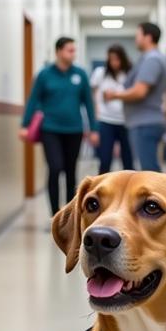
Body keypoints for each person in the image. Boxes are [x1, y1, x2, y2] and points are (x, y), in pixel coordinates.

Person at [20, 37, 98, 214]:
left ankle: (70, 214)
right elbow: (33, 100)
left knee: (71, 171)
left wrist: (93, 129)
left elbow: (88, 103)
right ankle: (55, 213)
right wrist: (25, 124)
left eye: (74, 50)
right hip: (50, 129)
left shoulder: (80, 74)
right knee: (55, 168)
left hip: (74, 129)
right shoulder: (45, 74)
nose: (73, 53)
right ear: (58, 52)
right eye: (69, 50)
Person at [105, 22, 166, 172]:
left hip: (145, 123)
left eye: (138, 35)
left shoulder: (152, 59)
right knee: (148, 169)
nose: (136, 38)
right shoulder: (148, 58)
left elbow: (140, 91)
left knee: (149, 171)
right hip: (142, 122)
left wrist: (115, 95)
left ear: (148, 37)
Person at [90, 44, 134, 174]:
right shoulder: (100, 73)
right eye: (111, 59)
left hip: (126, 121)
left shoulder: (129, 74)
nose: (114, 62)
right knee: (105, 159)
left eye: (117, 59)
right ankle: (102, 190)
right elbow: (94, 97)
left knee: (128, 160)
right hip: (105, 120)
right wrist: (95, 119)